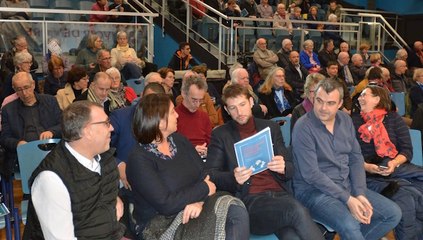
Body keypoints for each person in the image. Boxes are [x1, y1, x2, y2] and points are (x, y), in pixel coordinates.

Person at [206, 84, 325, 239]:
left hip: (280, 194)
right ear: (227, 111)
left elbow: (290, 165)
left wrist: (283, 167)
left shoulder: (270, 127)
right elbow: (211, 174)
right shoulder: (221, 135)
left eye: (242, 105)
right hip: (252, 202)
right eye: (233, 108)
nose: (239, 112)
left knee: (292, 235)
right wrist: (233, 178)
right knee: (296, 210)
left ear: (250, 102)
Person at [126, 93, 249, 240]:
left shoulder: (179, 140)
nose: (177, 115)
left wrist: (233, 177)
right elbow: (166, 203)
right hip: (160, 223)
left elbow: (205, 175)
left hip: (193, 205)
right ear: (159, 120)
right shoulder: (139, 159)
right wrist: (203, 190)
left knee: (235, 210)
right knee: (230, 217)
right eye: (172, 112)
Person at [292, 78, 402, 240]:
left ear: (340, 103)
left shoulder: (345, 120)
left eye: (330, 103)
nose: (323, 108)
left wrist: (360, 193)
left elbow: (355, 158)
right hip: (313, 192)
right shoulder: (303, 127)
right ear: (313, 98)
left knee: (392, 214)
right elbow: (311, 174)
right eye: (319, 101)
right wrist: (348, 199)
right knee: (350, 223)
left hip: (346, 185)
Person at [25, 101, 125, 239]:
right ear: (87, 131)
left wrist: (114, 198)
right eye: (106, 123)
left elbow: (102, 190)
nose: (112, 128)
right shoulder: (51, 179)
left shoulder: (104, 157)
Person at [352, 85, 423, 240]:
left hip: (397, 167)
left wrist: (394, 163)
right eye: (360, 96)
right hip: (368, 174)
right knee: (407, 198)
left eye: (364, 95)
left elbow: (406, 150)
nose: (359, 98)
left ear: (377, 99)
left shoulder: (393, 118)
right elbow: (350, 156)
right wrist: (367, 167)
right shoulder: (353, 121)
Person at [0, 72, 62, 177]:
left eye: (26, 87)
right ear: (14, 89)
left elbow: (63, 125)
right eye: (19, 89)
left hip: (51, 151)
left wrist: (52, 131)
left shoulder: (50, 101)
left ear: (33, 84)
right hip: (25, 155)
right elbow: (4, 138)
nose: (24, 93)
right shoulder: (8, 110)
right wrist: (17, 143)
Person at [175, 76, 212, 157]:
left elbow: (211, 144)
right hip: (183, 159)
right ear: (183, 94)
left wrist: (208, 151)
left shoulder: (204, 116)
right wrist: (191, 150)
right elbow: (170, 147)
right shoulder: (173, 116)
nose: (198, 104)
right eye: (194, 100)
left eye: (201, 100)